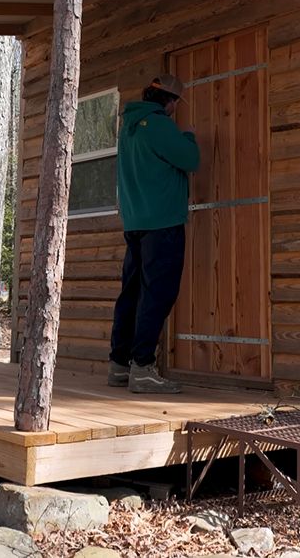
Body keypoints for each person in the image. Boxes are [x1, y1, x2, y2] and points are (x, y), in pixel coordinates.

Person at [109, 73, 200, 394]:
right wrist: (189, 137)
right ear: (169, 101)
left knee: (131, 293)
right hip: (162, 222)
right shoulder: (159, 124)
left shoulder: (130, 127)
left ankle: (119, 365)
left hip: (135, 222)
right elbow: (191, 160)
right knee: (157, 294)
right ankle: (143, 368)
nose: (176, 108)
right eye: (176, 102)